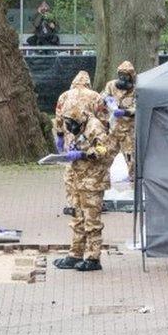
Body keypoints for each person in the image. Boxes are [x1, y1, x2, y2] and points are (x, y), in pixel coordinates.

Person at [52, 99, 110, 272]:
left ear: (80, 120)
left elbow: (103, 150)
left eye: (71, 124)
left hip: (93, 181)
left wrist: (83, 154)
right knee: (78, 218)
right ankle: (75, 254)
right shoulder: (78, 127)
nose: (70, 128)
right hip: (79, 179)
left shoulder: (94, 127)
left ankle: (93, 258)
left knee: (91, 221)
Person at [53, 71, 107, 216]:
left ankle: (73, 203)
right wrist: (101, 133)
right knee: (91, 165)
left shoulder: (64, 95)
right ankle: (94, 200)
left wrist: (60, 135)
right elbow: (103, 118)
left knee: (71, 167)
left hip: (70, 132)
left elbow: (59, 117)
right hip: (89, 132)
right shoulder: (95, 96)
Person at [100, 61, 137, 181]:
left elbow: (138, 108)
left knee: (131, 158)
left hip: (128, 131)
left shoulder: (136, 89)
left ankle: (133, 181)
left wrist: (125, 112)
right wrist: (107, 100)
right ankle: (101, 177)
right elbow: (102, 97)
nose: (122, 78)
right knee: (105, 154)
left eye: (125, 75)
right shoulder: (111, 85)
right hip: (113, 129)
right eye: (120, 74)